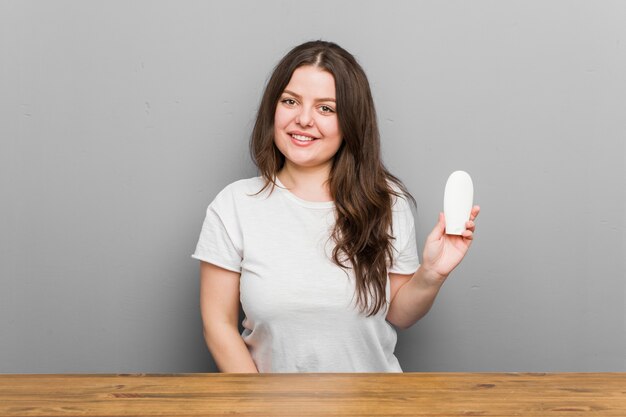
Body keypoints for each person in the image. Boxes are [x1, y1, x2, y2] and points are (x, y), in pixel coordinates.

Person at [192, 40, 480, 373]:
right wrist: (261, 405)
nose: (303, 119)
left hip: (376, 406)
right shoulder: (234, 205)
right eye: (290, 101)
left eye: (325, 108)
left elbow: (400, 313)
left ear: (351, 122)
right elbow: (218, 325)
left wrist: (432, 274)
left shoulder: (386, 201)